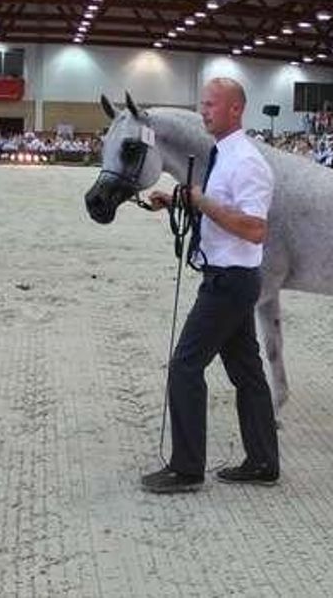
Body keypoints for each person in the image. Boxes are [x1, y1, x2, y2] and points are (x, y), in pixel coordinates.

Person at [141, 77, 280, 494]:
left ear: (236, 110)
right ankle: (262, 462)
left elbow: (255, 229)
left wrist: (200, 203)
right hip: (229, 278)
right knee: (247, 373)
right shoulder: (223, 155)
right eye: (202, 104)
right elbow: (222, 208)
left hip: (229, 281)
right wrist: (180, 200)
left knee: (185, 366)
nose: (203, 111)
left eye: (211, 105)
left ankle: (186, 469)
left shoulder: (248, 163)